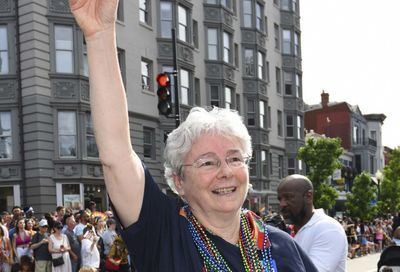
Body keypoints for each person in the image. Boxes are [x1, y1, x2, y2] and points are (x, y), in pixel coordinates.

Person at [68, 1, 318, 271]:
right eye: (208, 162)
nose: (225, 171)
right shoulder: (164, 232)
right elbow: (116, 157)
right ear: (179, 181)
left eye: (234, 158)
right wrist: (100, 35)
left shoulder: (281, 246)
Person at [277, 174, 348, 272]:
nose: (282, 204)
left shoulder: (328, 228)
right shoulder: (289, 231)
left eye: (288, 197)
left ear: (308, 196)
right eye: (280, 199)